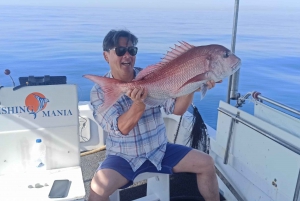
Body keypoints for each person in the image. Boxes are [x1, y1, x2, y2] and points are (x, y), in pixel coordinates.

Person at [88, 29, 220, 201]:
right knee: (97, 190)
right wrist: (138, 104)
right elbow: (121, 129)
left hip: (160, 150)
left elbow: (177, 110)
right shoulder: (99, 92)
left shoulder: (151, 76)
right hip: (124, 157)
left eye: (132, 50)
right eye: (120, 51)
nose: (127, 56)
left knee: (207, 163)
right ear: (106, 56)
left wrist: (192, 85)